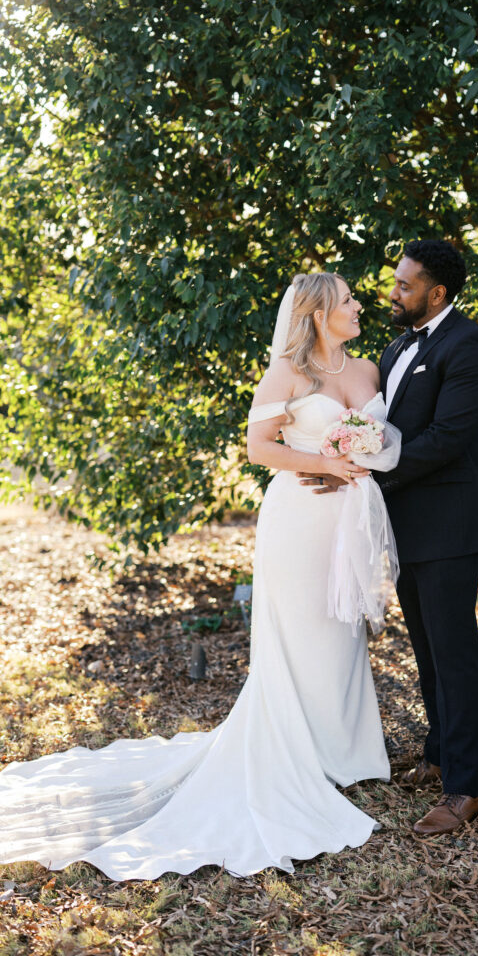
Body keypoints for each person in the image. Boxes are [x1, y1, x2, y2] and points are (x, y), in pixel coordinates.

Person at [0, 272, 397, 880]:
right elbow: (259, 447)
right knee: (300, 632)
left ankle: (346, 752)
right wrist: (324, 460)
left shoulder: (370, 369)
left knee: (342, 632)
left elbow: (388, 437)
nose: (359, 304)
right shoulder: (287, 373)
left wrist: (366, 457)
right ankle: (297, 753)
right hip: (299, 517)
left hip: (351, 518)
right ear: (319, 313)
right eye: (347, 299)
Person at [301, 240, 478, 836]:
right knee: (427, 649)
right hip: (405, 524)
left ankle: (464, 789)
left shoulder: (469, 348)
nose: (392, 292)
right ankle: (438, 756)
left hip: (450, 524)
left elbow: (445, 439)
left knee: (455, 653)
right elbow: (379, 424)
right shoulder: (396, 347)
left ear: (436, 294)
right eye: (395, 282)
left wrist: (366, 467)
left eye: (405, 285)